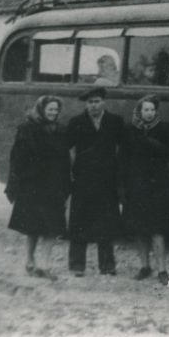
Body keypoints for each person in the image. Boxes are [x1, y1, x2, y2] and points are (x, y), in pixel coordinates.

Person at [5, 95, 71, 280]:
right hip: (32, 185)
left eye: (56, 110)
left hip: (54, 185)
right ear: (42, 109)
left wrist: (66, 184)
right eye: (50, 109)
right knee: (32, 226)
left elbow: (65, 159)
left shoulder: (60, 130)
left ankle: (45, 265)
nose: (54, 113)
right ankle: (30, 260)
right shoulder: (27, 128)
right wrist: (17, 181)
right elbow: (17, 157)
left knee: (52, 227)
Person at [120, 95, 169, 285]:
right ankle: (144, 266)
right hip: (136, 185)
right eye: (146, 110)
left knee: (158, 228)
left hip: (157, 186)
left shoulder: (165, 128)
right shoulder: (130, 130)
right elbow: (123, 158)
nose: (149, 113)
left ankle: (162, 270)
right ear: (139, 111)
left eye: (152, 110)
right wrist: (123, 185)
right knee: (139, 229)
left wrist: (158, 146)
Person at [66, 87, 125, 276]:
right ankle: (77, 266)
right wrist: (71, 172)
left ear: (104, 102)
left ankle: (107, 266)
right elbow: (66, 149)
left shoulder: (115, 122)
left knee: (106, 223)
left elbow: (123, 149)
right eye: (90, 102)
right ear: (86, 104)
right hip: (83, 180)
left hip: (107, 181)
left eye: (97, 101)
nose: (93, 105)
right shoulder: (76, 122)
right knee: (79, 222)